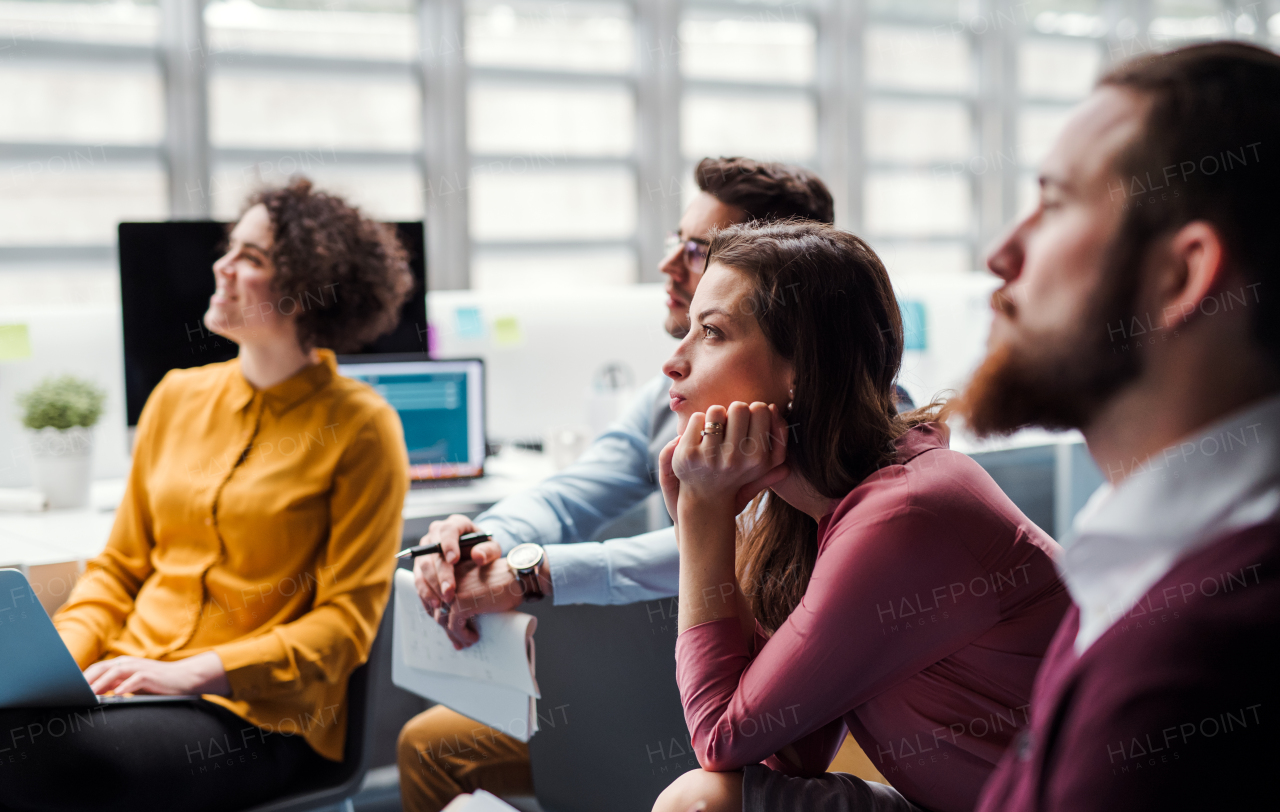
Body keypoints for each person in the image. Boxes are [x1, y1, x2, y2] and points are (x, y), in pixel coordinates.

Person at [395, 158, 835, 812]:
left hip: (757, 709)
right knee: (430, 744)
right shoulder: (672, 392)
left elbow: (732, 545)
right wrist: (487, 537)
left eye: (697, 250)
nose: (669, 268)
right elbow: (578, 487)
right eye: (675, 243)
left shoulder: (843, 411)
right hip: (655, 679)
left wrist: (533, 573)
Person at [0, 178, 412, 812]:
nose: (222, 266)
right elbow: (119, 571)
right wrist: (56, 668)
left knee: (52, 762)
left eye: (252, 257)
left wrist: (198, 669)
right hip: (130, 681)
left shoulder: (362, 427)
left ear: (307, 288)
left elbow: (343, 629)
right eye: (231, 248)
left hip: (257, 718)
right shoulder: (177, 397)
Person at [650, 221, 1070, 812]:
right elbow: (787, 750)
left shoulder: (905, 513)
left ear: (801, 372)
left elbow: (721, 738)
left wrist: (700, 519)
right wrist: (712, 516)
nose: (674, 361)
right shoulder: (817, 509)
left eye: (712, 333)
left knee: (701, 802)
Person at [965, 42, 1280, 811]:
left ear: (1181, 275)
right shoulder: (1147, 565)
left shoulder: (1198, 666)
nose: (1002, 253)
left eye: (1056, 201)